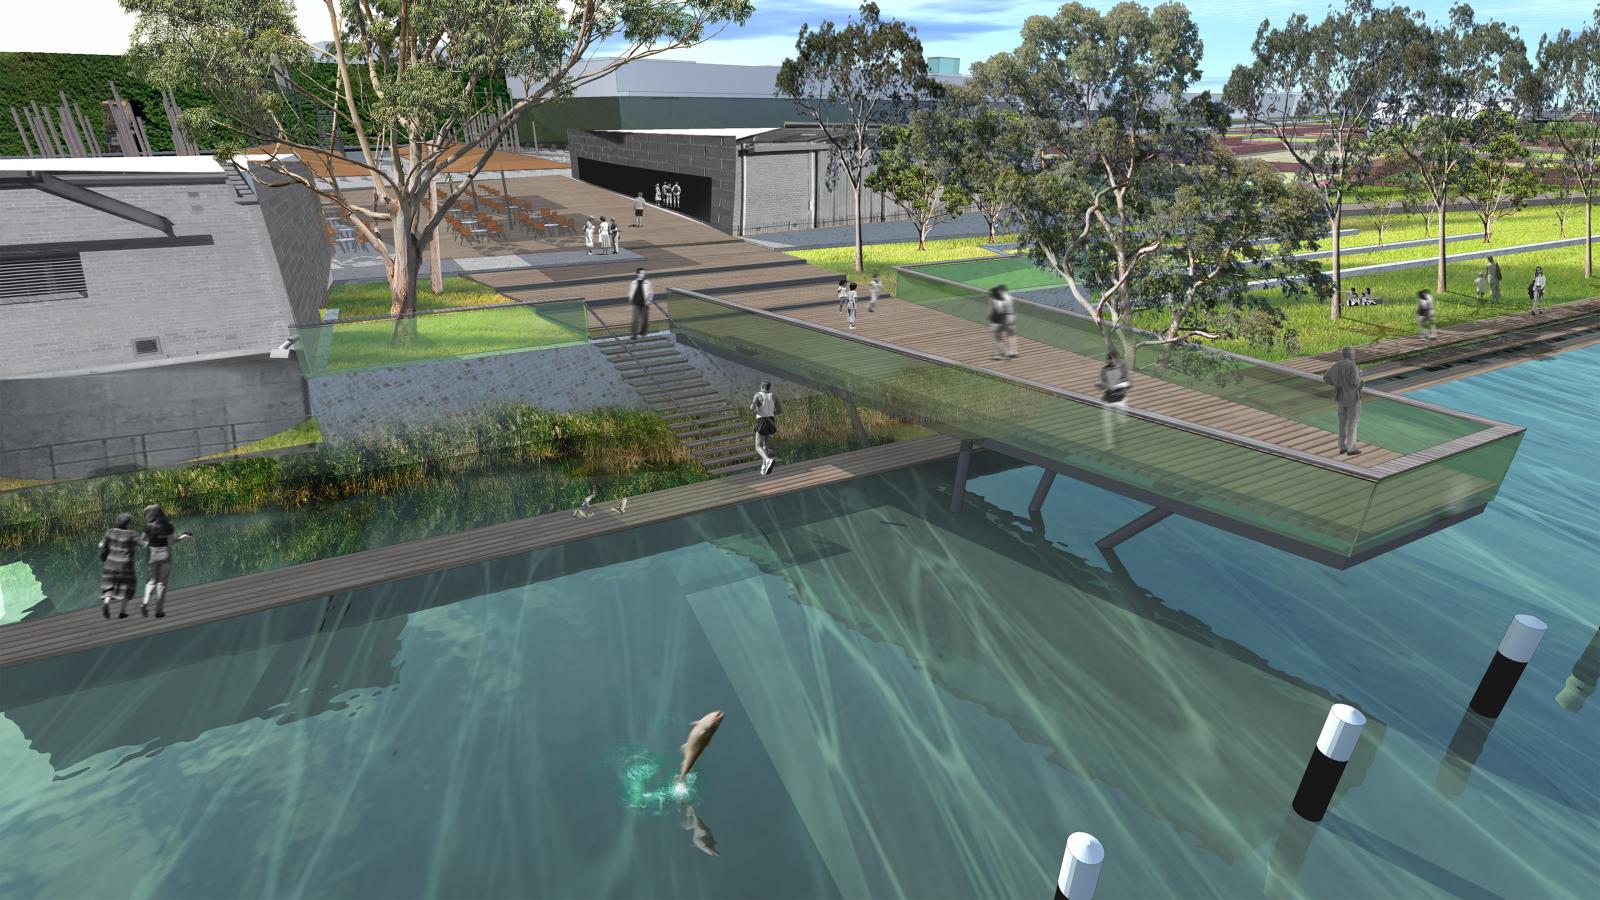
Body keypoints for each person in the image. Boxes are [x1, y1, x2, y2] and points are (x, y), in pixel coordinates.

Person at [137, 503, 192, 618]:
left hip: (152, 556)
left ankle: (145, 602)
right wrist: (184, 537)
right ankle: (159, 611)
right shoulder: (168, 525)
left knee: (151, 581)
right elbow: (172, 542)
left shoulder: (148, 527)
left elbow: (143, 543)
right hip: (165, 556)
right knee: (161, 583)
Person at [1322, 346, 1364, 455]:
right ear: (1351, 354)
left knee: (1342, 423)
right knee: (1352, 424)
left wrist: (1337, 384)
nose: (1354, 356)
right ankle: (1351, 448)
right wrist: (1360, 376)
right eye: (1353, 354)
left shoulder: (1337, 365)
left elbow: (1326, 378)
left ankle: (1342, 446)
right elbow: (1355, 382)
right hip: (1353, 398)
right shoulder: (1352, 366)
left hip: (1340, 397)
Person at [98, 512, 139, 619]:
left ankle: (106, 603)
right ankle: (122, 612)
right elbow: (144, 544)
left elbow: (101, 545)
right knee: (128, 586)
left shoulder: (109, 532)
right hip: (125, 565)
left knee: (109, 586)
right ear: (128, 523)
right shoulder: (132, 534)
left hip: (110, 564)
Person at [1099, 350, 1131, 450]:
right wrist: (1104, 385)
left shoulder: (1122, 370)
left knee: (1122, 422)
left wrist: (1123, 386)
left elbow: (1128, 383)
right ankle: (1110, 445)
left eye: (1114, 360)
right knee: (1108, 424)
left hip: (1120, 400)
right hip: (1107, 400)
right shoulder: (1104, 370)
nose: (1112, 362)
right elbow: (1103, 383)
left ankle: (1117, 436)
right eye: (1110, 360)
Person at [751, 381, 781, 476]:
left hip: (761, 420)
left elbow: (752, 408)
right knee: (765, 444)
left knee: (757, 446)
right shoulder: (774, 396)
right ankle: (764, 466)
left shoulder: (757, 395)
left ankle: (768, 460)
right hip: (771, 420)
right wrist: (770, 413)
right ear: (769, 387)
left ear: (761, 386)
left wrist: (756, 409)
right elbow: (780, 410)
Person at [988, 285, 1018, 359]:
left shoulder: (996, 299)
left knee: (997, 336)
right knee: (1011, 334)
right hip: (1011, 315)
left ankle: (1002, 352)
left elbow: (998, 310)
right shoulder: (1009, 297)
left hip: (1002, 318)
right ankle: (1013, 351)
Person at [628, 268, 653, 339]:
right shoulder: (633, 282)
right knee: (634, 320)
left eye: (644, 273)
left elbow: (651, 293)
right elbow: (631, 292)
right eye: (641, 273)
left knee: (645, 320)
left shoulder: (648, 282)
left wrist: (649, 302)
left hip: (645, 304)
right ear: (637, 274)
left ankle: (643, 333)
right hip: (635, 303)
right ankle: (634, 335)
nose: (643, 274)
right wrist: (631, 300)